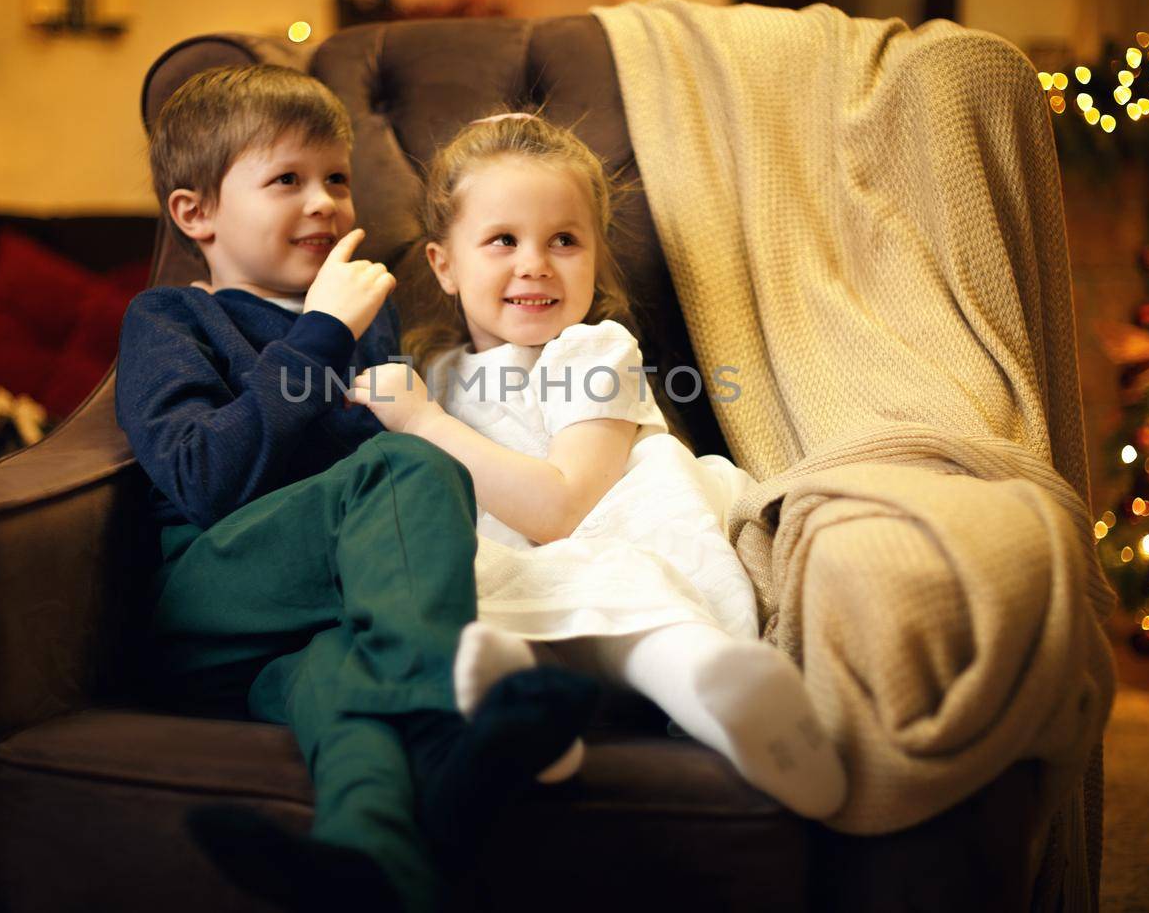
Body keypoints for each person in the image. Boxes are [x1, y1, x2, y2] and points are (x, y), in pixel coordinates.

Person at [115, 68, 598, 913]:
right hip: (214, 602)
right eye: (287, 181)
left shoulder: (369, 317)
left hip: (314, 638)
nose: (325, 202)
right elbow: (201, 479)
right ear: (197, 213)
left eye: (337, 178)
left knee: (356, 704)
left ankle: (371, 861)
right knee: (413, 464)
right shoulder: (171, 321)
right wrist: (319, 333)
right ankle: (449, 727)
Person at [349, 112, 848, 819]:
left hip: (607, 543)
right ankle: (526, 720)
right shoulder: (438, 372)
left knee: (629, 608)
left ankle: (730, 699)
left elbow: (565, 510)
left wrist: (421, 422)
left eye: (564, 239)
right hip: (515, 573)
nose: (535, 262)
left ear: (594, 255)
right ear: (444, 265)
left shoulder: (592, 352)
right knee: (464, 599)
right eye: (502, 240)